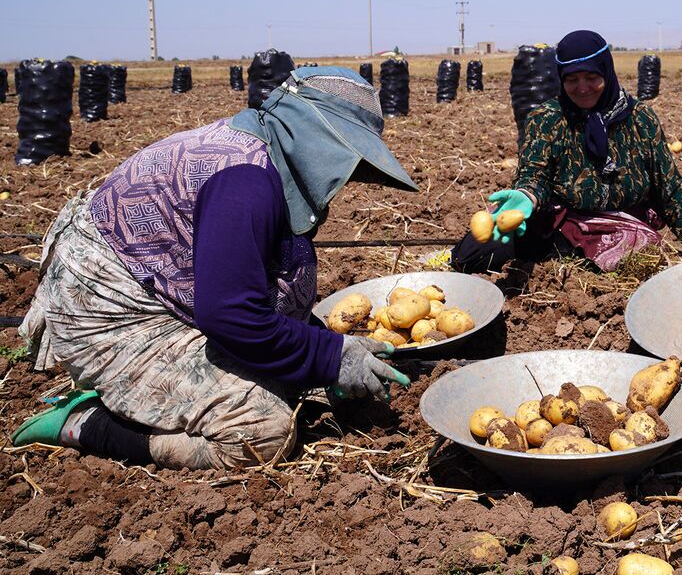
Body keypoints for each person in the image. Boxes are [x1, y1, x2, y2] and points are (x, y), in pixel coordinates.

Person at [14, 67, 415, 470]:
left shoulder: (265, 157)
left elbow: (247, 288)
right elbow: (231, 314)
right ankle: (88, 424)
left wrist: (324, 347)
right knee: (263, 433)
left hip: (167, 291)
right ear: (317, 139)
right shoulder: (244, 180)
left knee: (292, 381)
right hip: (113, 310)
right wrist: (331, 357)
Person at [452, 29, 682, 274]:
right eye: (571, 79)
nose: (582, 88)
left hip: (622, 222)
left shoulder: (640, 119)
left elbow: (668, 186)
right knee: (469, 256)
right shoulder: (547, 118)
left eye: (591, 77)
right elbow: (535, 175)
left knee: (623, 261)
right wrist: (527, 195)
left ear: (606, 71)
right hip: (563, 219)